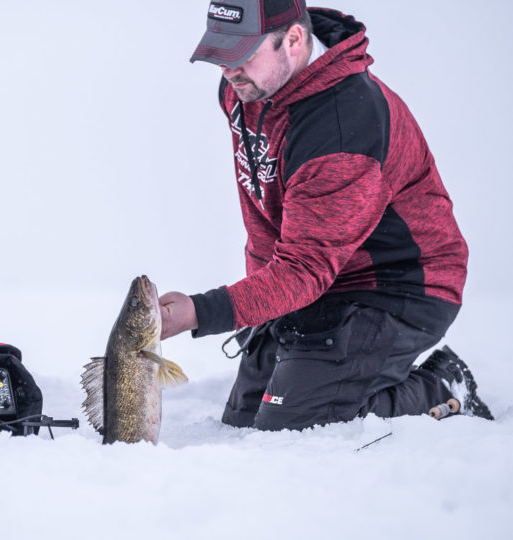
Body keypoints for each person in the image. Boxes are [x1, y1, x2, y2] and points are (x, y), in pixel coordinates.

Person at [159, 0, 493, 430]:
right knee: (243, 419)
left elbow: (304, 269)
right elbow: (261, 204)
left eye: (241, 55)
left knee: (294, 424)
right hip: (319, 277)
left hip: (398, 284)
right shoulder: (246, 89)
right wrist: (262, 310)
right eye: (220, 56)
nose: (228, 71)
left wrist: (200, 312)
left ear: (294, 40)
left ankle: (443, 385)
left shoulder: (342, 123)